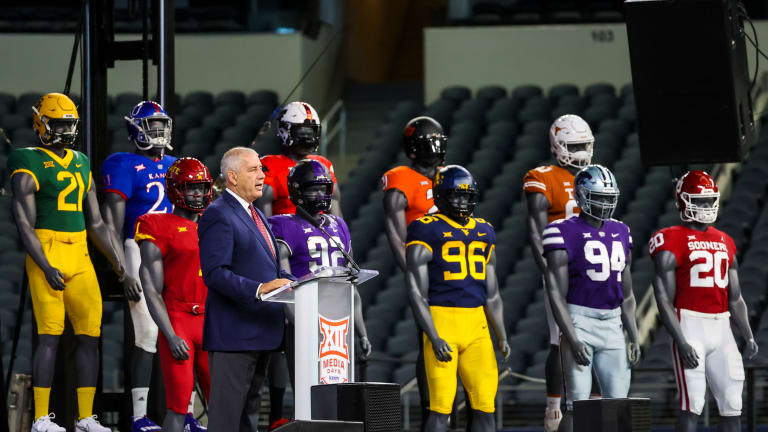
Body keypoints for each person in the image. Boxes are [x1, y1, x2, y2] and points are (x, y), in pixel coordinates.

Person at [7, 92, 138, 432]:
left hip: (80, 252)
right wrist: (44, 264)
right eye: (59, 124)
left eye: (70, 124)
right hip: (47, 249)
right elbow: (24, 223)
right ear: (41, 123)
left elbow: (96, 223)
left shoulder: (80, 161)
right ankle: (40, 418)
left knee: (90, 335)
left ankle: (85, 417)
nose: (66, 131)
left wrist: (119, 266)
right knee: (49, 335)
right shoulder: (26, 158)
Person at [649, 170, 757, 432]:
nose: (706, 206)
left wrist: (748, 334)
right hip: (690, 323)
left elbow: (736, 297)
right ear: (683, 201)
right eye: (699, 201)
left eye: (709, 200)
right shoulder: (670, 238)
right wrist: (681, 340)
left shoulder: (725, 240)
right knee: (692, 404)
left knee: (733, 404)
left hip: (722, 326)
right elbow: (663, 297)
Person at [405, 165, 510, 432]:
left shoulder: (485, 230)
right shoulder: (425, 228)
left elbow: (493, 293)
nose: (462, 201)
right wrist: (433, 335)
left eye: (467, 195)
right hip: (442, 321)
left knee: (485, 406)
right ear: (440, 196)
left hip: (477, 325)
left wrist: (501, 335)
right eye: (456, 195)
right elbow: (416, 291)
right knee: (440, 408)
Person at [198, 146, 294, 431]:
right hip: (234, 336)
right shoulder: (218, 214)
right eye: (253, 170)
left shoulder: (255, 213)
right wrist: (260, 289)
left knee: (248, 421)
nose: (262, 176)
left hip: (261, 333)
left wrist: (295, 281)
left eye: (261, 169)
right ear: (232, 177)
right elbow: (215, 274)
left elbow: (269, 267)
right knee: (226, 422)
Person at [541, 164, 640, 432]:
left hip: (613, 322)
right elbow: (555, 293)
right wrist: (572, 337)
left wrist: (633, 334)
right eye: (598, 197)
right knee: (577, 405)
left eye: (609, 198)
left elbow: (628, 294)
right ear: (582, 196)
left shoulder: (621, 231)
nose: (605, 204)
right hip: (579, 319)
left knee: (619, 405)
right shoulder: (561, 230)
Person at [100, 100, 177, 430]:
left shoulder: (175, 164)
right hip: (141, 248)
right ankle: (139, 415)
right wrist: (122, 269)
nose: (158, 132)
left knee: (183, 332)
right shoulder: (122, 163)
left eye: (161, 125)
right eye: (151, 125)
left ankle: (184, 413)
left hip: (177, 251)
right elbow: (111, 225)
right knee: (147, 334)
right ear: (134, 130)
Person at [268, 160, 372, 392]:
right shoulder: (283, 225)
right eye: (313, 189)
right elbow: (285, 288)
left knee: (338, 392)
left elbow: (351, 284)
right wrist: (303, 326)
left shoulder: (339, 225)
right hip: (304, 317)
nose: (320, 195)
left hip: (339, 321)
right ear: (297, 192)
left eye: (323, 189)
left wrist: (361, 331)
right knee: (307, 391)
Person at [523, 114, 594, 431]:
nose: (581, 152)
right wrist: (549, 273)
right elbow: (536, 229)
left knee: (596, 341)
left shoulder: (595, 176)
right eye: (574, 146)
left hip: (592, 270)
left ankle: (594, 403)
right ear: (557, 146)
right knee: (560, 338)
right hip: (562, 268)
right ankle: (554, 407)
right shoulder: (543, 177)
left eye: (584, 145)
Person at [136, 157, 214, 432]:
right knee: (179, 406)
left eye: (202, 188)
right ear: (176, 189)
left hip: (211, 320)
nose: (198, 194)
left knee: (223, 403)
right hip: (179, 319)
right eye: (191, 188)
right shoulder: (157, 225)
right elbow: (151, 289)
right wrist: (169, 334)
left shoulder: (214, 224)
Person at [382, 116, 446, 430]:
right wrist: (411, 273)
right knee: (431, 342)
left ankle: (448, 411)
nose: (434, 147)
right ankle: (430, 412)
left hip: (456, 267)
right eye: (428, 142)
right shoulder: (401, 179)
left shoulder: (450, 176)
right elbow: (396, 235)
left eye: (437, 141)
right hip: (426, 268)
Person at [256, 101, 341, 217]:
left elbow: (336, 217)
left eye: (311, 132)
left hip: (320, 227)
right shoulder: (269, 165)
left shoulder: (323, 163)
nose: (308, 138)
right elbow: (264, 219)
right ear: (284, 130)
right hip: (284, 228)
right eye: (302, 132)